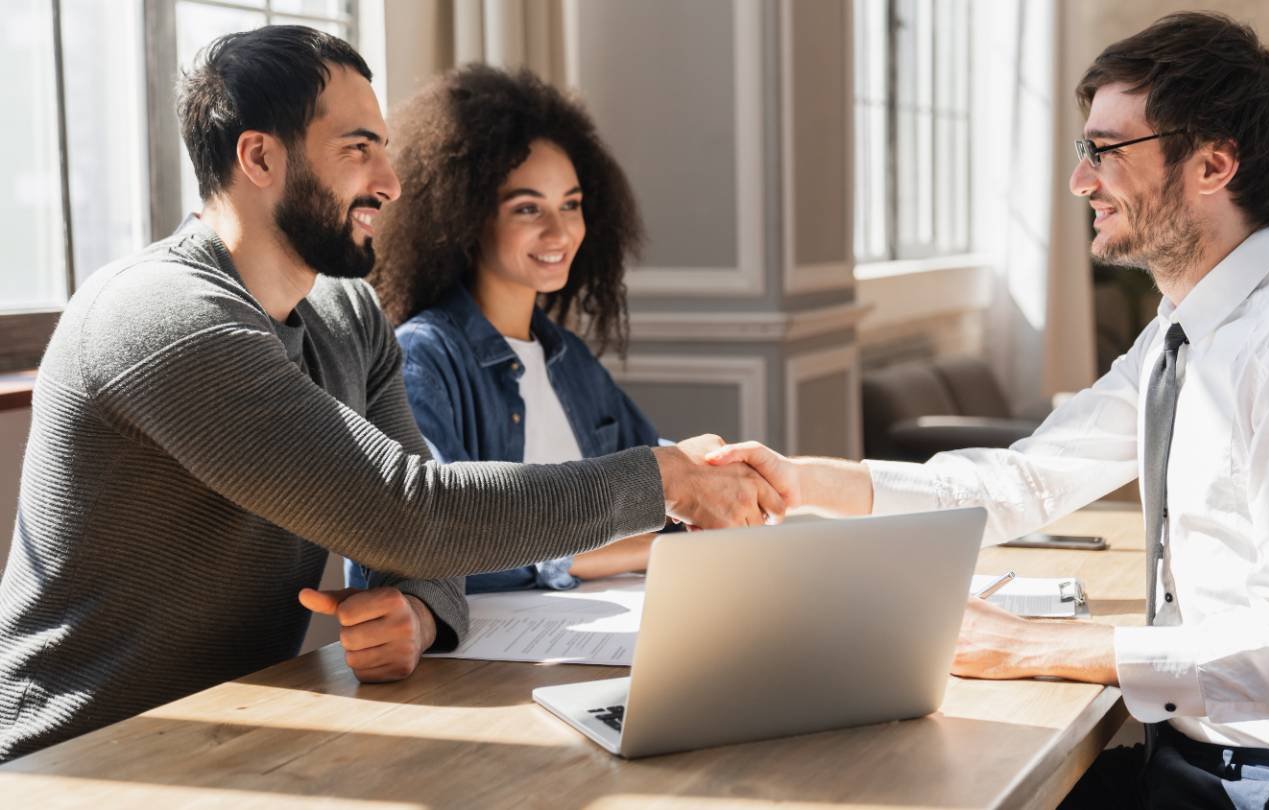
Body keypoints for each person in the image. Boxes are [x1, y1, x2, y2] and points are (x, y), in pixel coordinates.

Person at [707, 12, 1269, 808]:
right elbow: (1027, 479)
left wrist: (1025, 646)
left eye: (1105, 151)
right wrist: (806, 482)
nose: (1081, 181)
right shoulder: (1180, 334)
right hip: (1199, 757)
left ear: (1213, 166)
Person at [0, 25, 783, 763]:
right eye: (358, 150)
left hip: (238, 733)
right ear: (259, 158)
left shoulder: (346, 315)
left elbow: (410, 542)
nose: (392, 183)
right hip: (79, 759)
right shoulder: (165, 319)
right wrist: (662, 477)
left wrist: (419, 612)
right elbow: (411, 511)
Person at [349, 65, 667, 595]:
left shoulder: (568, 358)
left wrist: (719, 468)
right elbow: (432, 538)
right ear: (468, 218)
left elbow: (656, 469)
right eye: (527, 208)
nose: (559, 230)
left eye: (571, 204)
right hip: (490, 658)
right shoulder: (422, 359)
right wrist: (598, 553)